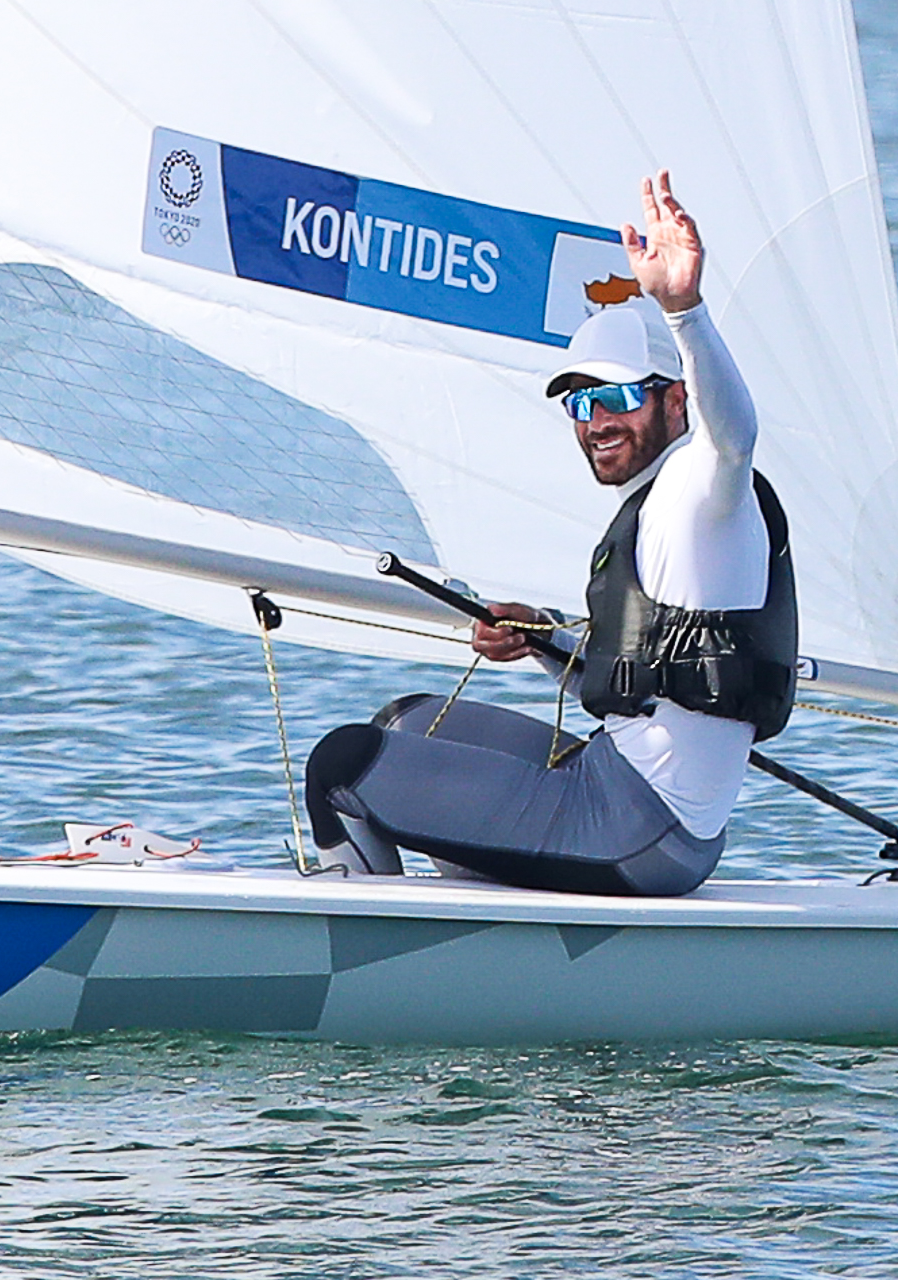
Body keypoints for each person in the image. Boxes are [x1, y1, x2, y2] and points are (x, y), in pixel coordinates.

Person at [302, 171, 797, 896]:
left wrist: (684, 309)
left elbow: (735, 436)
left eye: (618, 397)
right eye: (581, 404)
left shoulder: (704, 490)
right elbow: (643, 674)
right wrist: (541, 636)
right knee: (407, 724)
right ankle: (473, 920)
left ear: (676, 401)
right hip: (622, 791)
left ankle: (353, 929)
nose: (597, 423)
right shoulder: (649, 508)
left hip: (637, 831)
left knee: (341, 765)